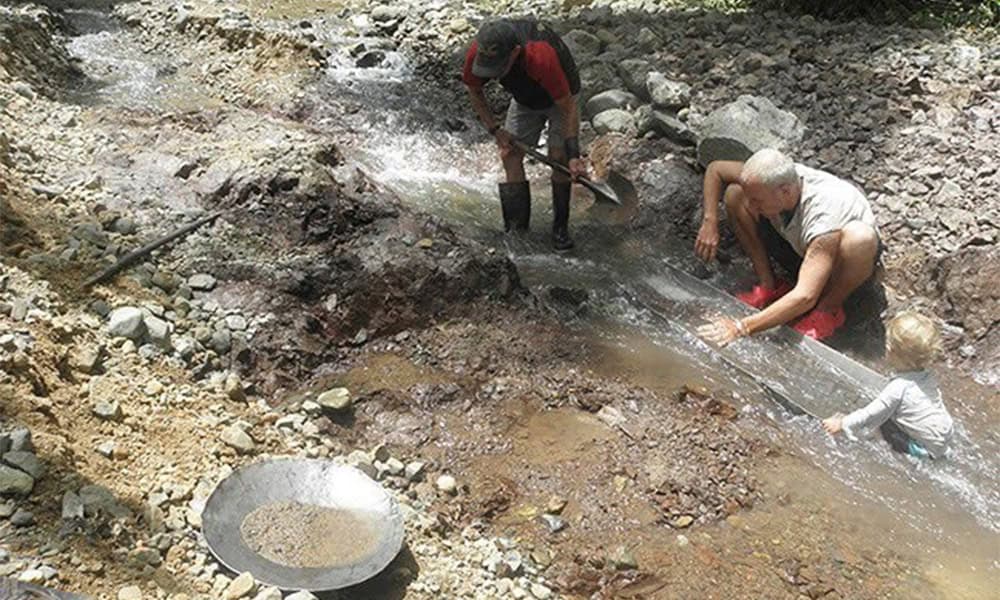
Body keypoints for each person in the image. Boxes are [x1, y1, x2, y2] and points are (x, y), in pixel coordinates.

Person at [697, 148, 881, 344]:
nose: (752, 205)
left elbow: (806, 295)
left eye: (758, 201)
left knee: (861, 238)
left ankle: (828, 310)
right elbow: (716, 169)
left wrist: (740, 327)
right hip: (801, 246)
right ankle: (769, 286)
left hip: (840, 265)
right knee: (735, 193)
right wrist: (710, 220)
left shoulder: (823, 214)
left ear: (785, 191)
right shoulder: (771, 179)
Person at [462, 18, 588, 251]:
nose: (494, 74)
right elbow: (474, 90)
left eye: (499, 67)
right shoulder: (478, 51)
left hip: (561, 98)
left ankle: (560, 228)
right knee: (509, 153)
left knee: (559, 157)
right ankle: (517, 230)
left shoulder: (541, 56)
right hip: (524, 100)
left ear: (515, 53)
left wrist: (574, 155)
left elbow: (567, 107)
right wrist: (495, 129)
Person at [822, 312, 953, 459]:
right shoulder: (927, 377)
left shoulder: (899, 387)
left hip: (920, 448)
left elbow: (870, 414)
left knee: (880, 421)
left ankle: (917, 453)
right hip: (944, 440)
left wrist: (843, 423)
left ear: (889, 350)